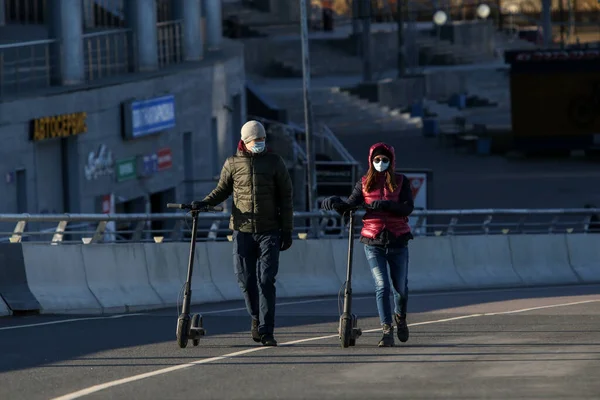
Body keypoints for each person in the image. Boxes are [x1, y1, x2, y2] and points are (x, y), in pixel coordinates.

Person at [198, 120, 294, 346]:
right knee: (246, 280)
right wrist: (202, 204)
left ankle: (267, 330)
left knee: (266, 279)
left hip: (270, 230)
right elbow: (221, 190)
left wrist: (287, 230)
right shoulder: (232, 163)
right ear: (244, 141)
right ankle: (255, 318)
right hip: (242, 231)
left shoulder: (274, 162)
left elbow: (286, 198)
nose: (259, 144)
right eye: (255, 140)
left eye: (262, 140)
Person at [321, 142, 414, 347]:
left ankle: (400, 317)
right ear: (371, 161)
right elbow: (351, 206)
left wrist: (389, 206)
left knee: (401, 289)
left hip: (398, 239)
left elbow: (408, 207)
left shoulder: (400, 181)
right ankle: (386, 330)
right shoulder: (364, 183)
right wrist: (336, 202)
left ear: (391, 161)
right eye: (377, 159)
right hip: (373, 240)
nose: (381, 163)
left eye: (384, 159)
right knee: (382, 286)